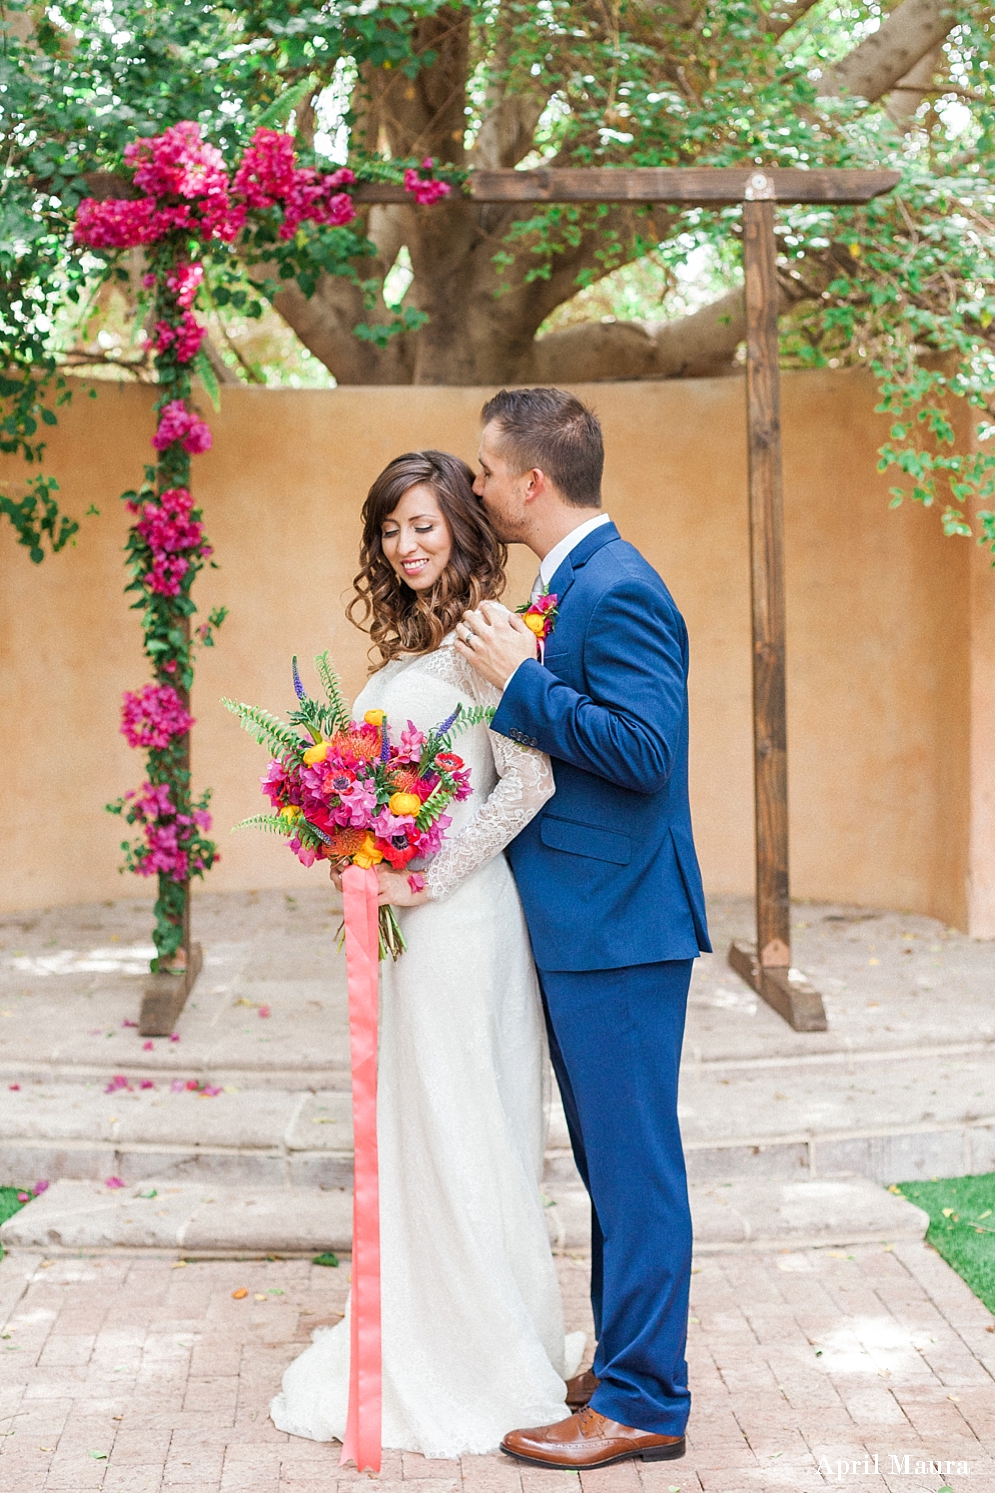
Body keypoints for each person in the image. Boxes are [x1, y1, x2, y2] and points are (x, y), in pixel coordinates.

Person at [270, 449, 584, 1458]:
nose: (404, 544)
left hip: (464, 921)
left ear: (460, 524)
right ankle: (416, 1327)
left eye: (422, 523)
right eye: (390, 528)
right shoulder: (407, 647)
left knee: (464, 1126)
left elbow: (524, 784)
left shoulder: (491, 636)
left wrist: (428, 873)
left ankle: (481, 1349)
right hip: (403, 927)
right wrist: (350, 843)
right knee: (414, 1125)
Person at [456, 387, 711, 1471]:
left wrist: (518, 680)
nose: (471, 486)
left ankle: (646, 1398)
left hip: (621, 924)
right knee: (612, 1167)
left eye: (481, 470)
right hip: (586, 922)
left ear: (530, 482)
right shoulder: (567, 584)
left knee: (636, 1167)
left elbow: (643, 752)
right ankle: (622, 1364)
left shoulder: (619, 587)